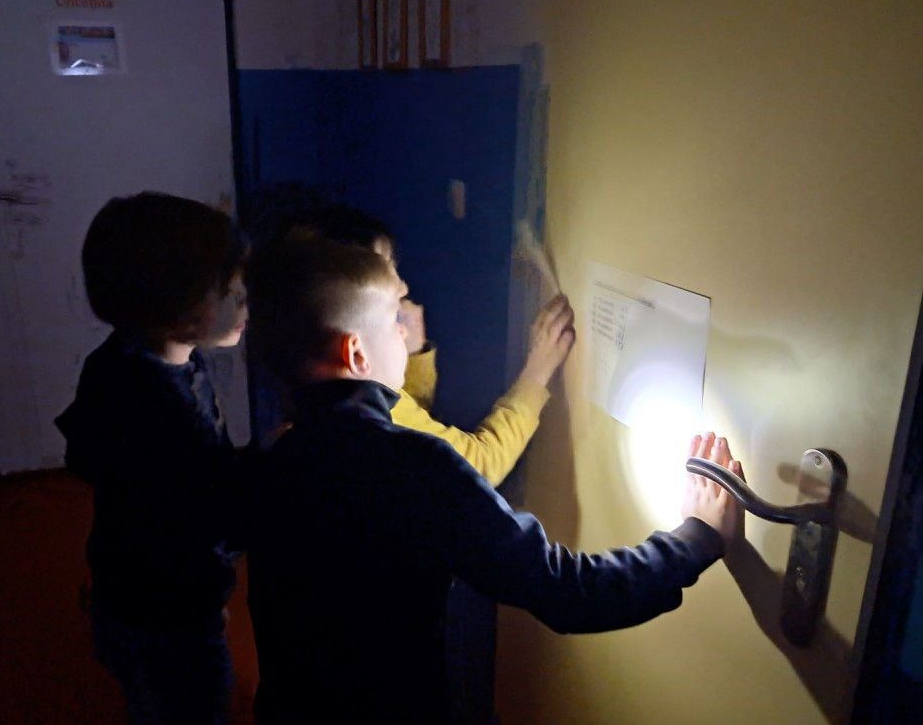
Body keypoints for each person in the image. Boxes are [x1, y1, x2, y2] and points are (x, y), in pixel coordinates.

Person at [240, 239, 745, 725]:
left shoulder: (274, 459)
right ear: (355, 355)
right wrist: (696, 538)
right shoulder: (412, 466)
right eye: (394, 318)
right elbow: (566, 591)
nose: (406, 329)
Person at [55, 192, 249, 725]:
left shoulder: (121, 358)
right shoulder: (162, 412)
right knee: (191, 706)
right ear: (184, 312)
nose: (245, 303)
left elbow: (86, 453)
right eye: (232, 293)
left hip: (130, 590)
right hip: (167, 610)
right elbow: (210, 511)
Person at [265, 203, 575, 486]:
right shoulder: (357, 410)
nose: (402, 285)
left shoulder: (320, 399)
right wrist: (538, 372)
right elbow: (474, 468)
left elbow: (408, 427)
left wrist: (411, 357)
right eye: (383, 267)